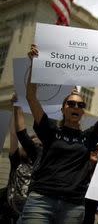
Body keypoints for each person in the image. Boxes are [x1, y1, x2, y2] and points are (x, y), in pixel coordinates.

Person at [20, 44, 98, 224]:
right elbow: (31, 97)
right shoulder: (50, 130)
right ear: (63, 109)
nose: (76, 107)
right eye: (71, 104)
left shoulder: (89, 137)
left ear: (83, 112)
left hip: (73, 206)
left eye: (80, 105)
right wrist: (35, 64)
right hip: (41, 200)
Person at [5, 94, 42, 223]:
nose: (35, 145)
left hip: (31, 215)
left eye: (39, 145)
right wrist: (16, 107)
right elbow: (14, 135)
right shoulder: (17, 160)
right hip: (10, 213)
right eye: (32, 142)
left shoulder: (44, 165)